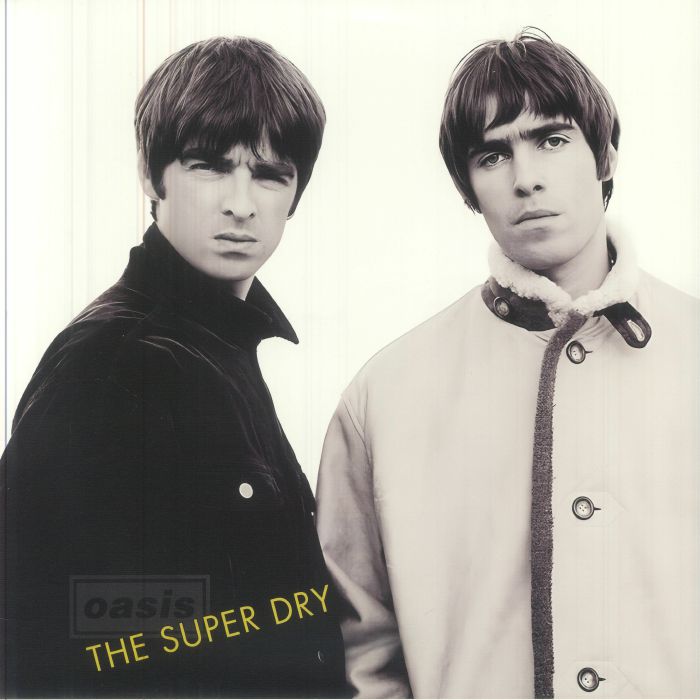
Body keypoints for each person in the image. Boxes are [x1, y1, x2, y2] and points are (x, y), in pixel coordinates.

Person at [316, 29, 700, 698]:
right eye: (492, 155)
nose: (526, 178)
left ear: (605, 156)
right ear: (467, 187)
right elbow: (356, 648)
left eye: (551, 139)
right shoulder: (387, 395)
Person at [2, 36, 346, 698]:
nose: (241, 204)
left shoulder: (217, 349)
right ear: (150, 175)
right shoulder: (116, 361)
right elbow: (54, 637)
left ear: (295, 192)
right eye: (209, 166)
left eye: (269, 174)